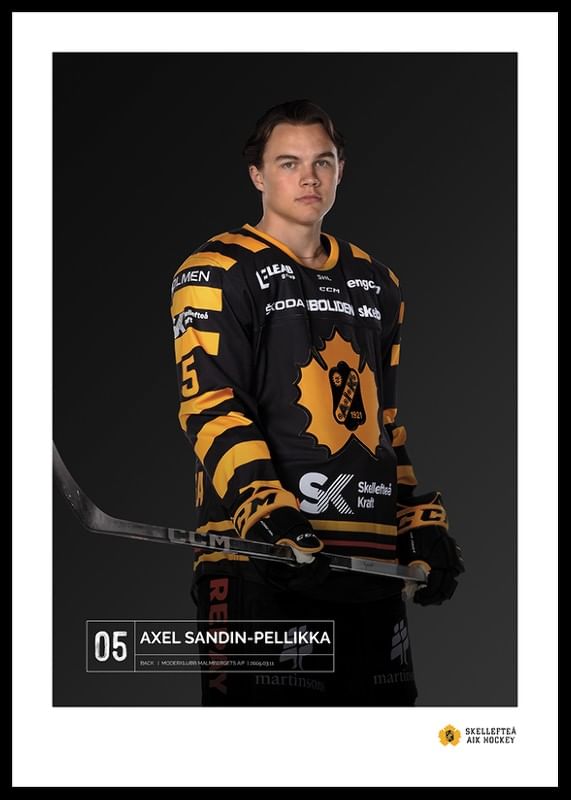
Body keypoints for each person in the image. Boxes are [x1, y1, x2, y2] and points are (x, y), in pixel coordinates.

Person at [170, 99, 464, 706]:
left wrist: (415, 520)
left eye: (322, 162)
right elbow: (212, 406)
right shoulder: (217, 270)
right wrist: (263, 508)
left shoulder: (378, 283)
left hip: (370, 566)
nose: (309, 178)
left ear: (340, 170)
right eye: (289, 163)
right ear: (258, 175)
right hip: (261, 561)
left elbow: (384, 422)